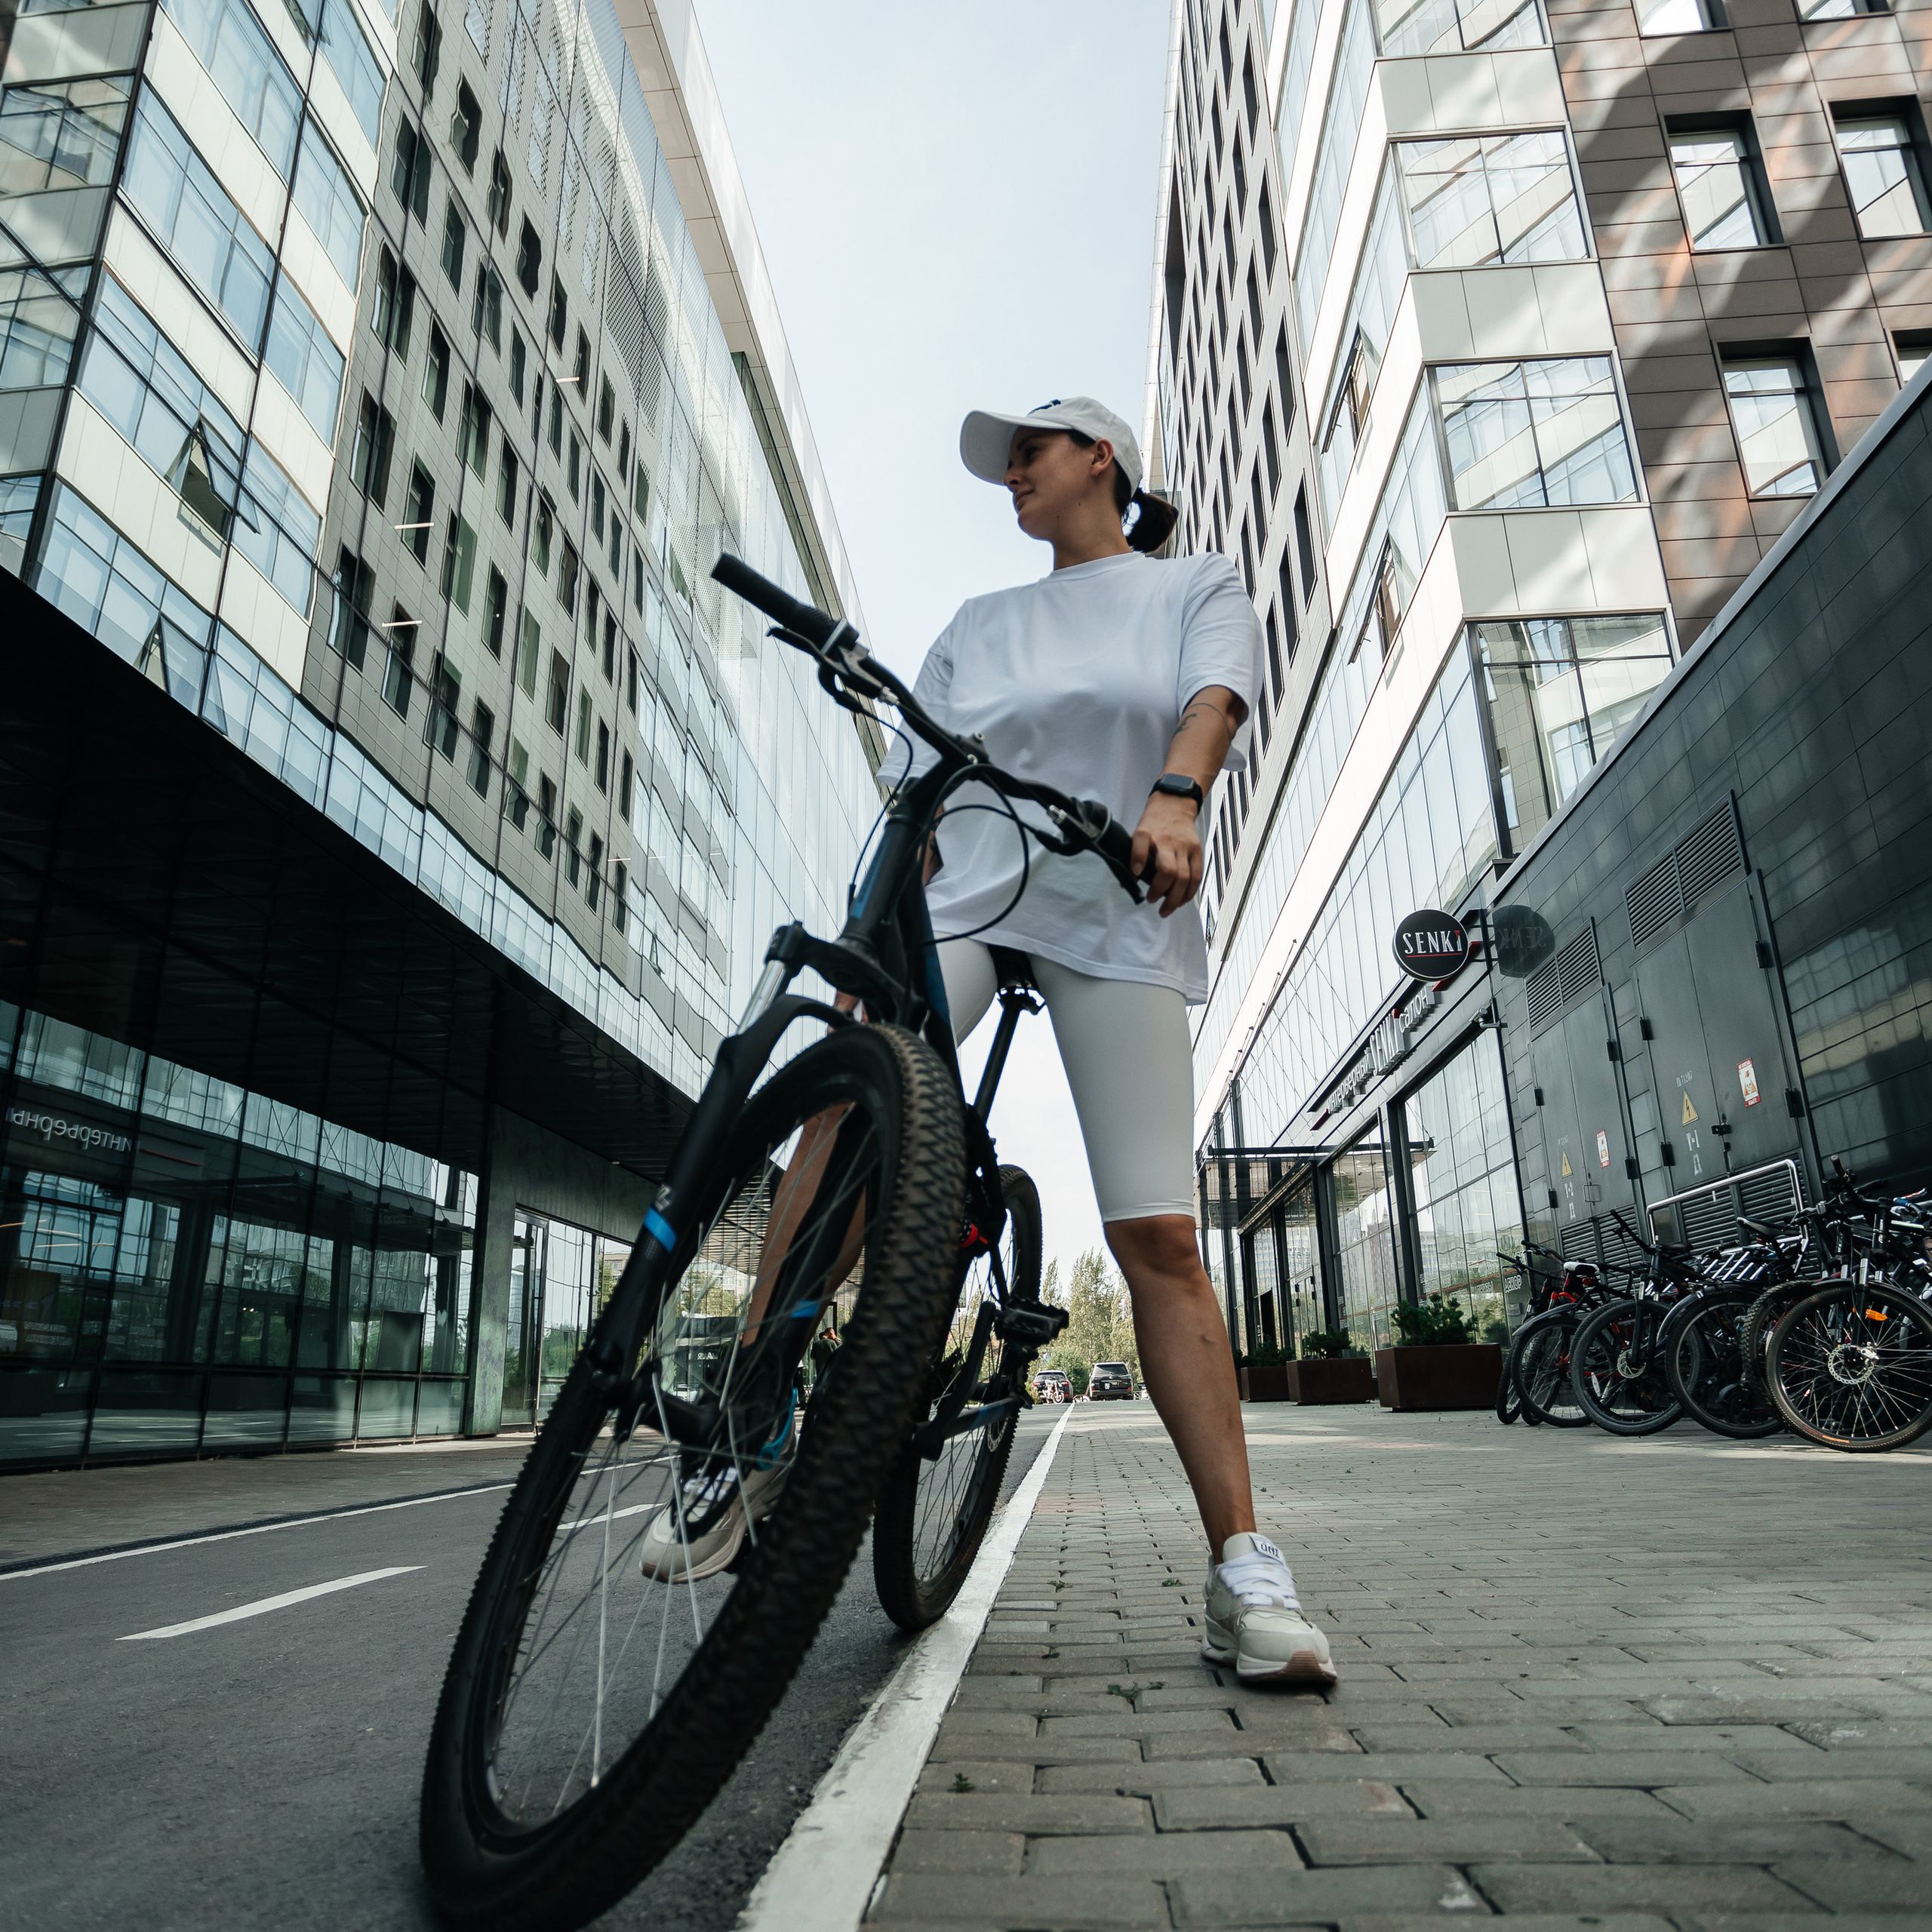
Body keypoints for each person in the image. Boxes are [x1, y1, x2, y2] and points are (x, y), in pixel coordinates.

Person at [886, 395, 1336, 1687]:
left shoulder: (1195, 584)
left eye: (1030, 447)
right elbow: (916, 779)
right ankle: (743, 1434)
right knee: (861, 1102)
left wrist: (1175, 795)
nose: (1011, 471)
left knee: (1159, 1238)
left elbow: (1214, 702)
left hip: (1117, 910)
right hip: (972, 897)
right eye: (1003, 460)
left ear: (1102, 460)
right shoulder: (978, 625)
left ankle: (1244, 1572)